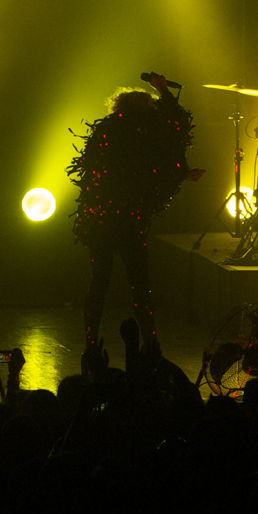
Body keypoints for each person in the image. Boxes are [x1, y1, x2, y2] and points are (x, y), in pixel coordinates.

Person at [67, 74, 203, 357]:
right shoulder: (146, 131)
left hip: (101, 217)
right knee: (138, 284)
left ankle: (92, 343)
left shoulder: (111, 130)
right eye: (150, 104)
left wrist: (180, 173)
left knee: (101, 280)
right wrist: (164, 90)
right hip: (124, 217)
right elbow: (176, 126)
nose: (154, 108)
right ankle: (150, 346)